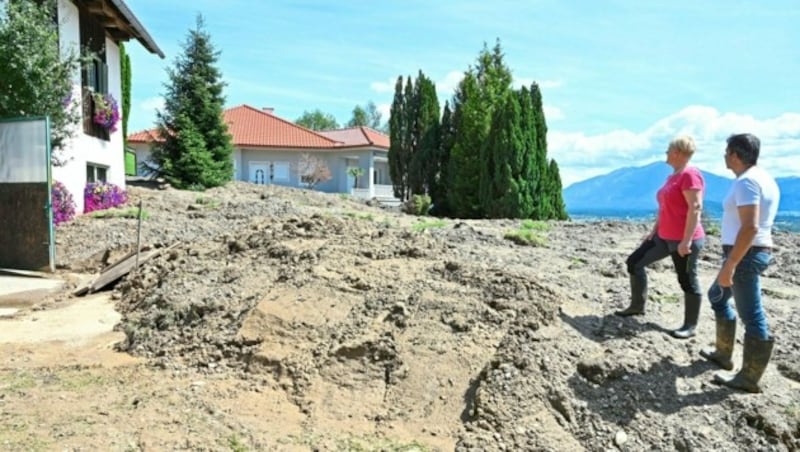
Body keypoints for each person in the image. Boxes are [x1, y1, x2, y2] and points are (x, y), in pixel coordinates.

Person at [700, 133, 780, 393]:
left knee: (752, 315)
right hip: (748, 252)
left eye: (726, 151)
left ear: (735, 154)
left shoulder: (747, 182)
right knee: (717, 297)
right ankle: (724, 355)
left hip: (744, 255)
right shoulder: (763, 178)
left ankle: (748, 378)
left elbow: (751, 226)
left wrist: (731, 264)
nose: (724, 156)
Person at [615, 135, 705, 339]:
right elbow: (665, 207)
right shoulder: (673, 176)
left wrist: (687, 240)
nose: (666, 153)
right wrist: (654, 230)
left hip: (683, 239)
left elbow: (695, 208)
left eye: (668, 150)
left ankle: (690, 326)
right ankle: (637, 306)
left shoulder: (690, 175)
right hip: (663, 236)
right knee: (634, 262)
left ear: (677, 153)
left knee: (687, 280)